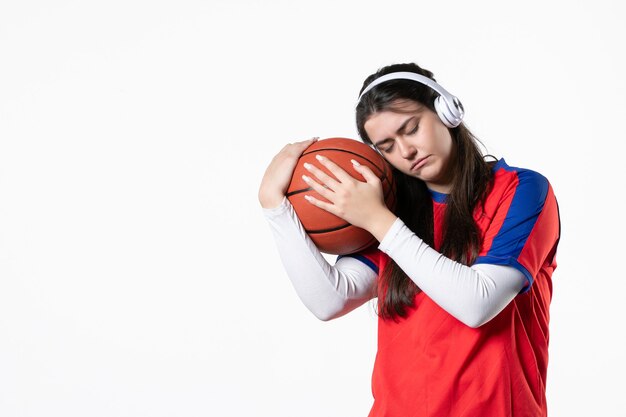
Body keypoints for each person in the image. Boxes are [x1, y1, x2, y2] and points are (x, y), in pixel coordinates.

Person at [258, 62, 560, 417]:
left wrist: (378, 221)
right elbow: (330, 300)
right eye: (387, 145)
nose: (406, 151)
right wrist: (274, 207)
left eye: (411, 128)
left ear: (446, 111)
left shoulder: (520, 191)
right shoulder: (390, 208)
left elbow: (477, 304)